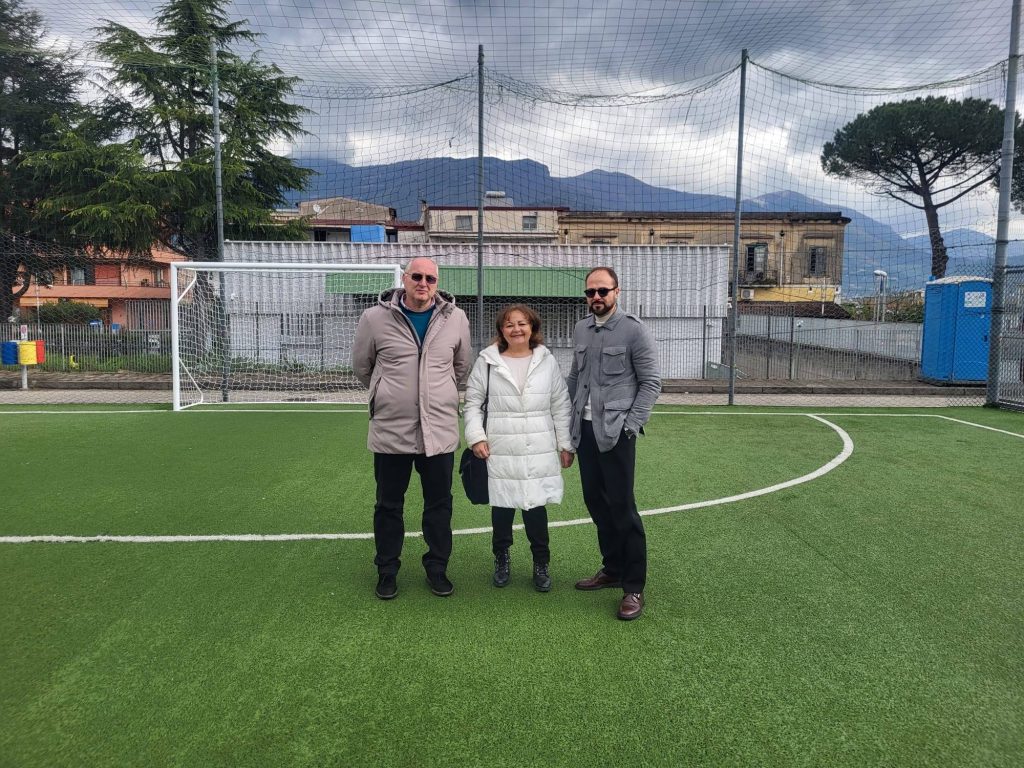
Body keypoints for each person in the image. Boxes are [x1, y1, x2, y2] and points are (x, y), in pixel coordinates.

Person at [352, 256, 472, 600]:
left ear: (437, 283)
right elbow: (362, 366)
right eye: (417, 276)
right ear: (404, 279)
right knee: (388, 505)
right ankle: (387, 570)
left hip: (439, 431)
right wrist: (388, 394)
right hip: (392, 431)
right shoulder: (374, 318)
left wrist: (439, 393)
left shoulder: (456, 318)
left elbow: (462, 367)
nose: (423, 283)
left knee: (439, 504)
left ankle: (437, 568)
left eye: (430, 278)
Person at [566, 266, 661, 620]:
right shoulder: (581, 329)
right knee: (595, 501)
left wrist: (631, 426)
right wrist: (566, 421)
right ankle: (613, 568)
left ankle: (633, 586)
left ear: (616, 292)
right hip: (586, 431)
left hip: (617, 432)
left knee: (622, 507)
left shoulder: (634, 330)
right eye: (590, 292)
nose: (596, 297)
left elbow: (651, 383)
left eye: (602, 291)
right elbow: (575, 376)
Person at [463, 304, 573, 592]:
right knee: (502, 507)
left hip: (538, 447)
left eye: (522, 323)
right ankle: (501, 558)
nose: (516, 329)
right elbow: (473, 403)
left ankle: (541, 563)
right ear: (501, 330)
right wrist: (476, 437)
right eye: (509, 324)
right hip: (501, 447)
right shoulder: (487, 362)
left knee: (536, 508)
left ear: (532, 327)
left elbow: (560, 404)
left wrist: (565, 444)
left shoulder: (546, 360)